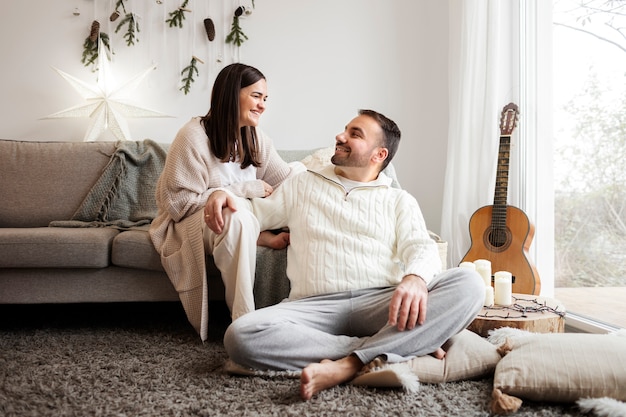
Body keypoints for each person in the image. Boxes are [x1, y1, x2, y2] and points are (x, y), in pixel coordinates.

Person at [206, 109, 485, 400]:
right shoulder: (302, 184)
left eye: (355, 134)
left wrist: (415, 278)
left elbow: (421, 245)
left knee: (470, 283)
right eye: (345, 130)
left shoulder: (398, 200)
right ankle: (388, 347)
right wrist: (225, 195)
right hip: (312, 308)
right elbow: (252, 213)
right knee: (240, 336)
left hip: (380, 303)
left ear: (379, 155)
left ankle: (348, 365)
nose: (340, 137)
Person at [150, 63, 304, 342]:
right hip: (194, 221)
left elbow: (284, 181)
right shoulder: (194, 136)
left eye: (265, 99)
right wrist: (238, 190)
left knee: (300, 178)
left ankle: (256, 236)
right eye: (256, 96)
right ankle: (244, 325)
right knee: (235, 215)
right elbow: (178, 204)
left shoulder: (256, 138)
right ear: (233, 95)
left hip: (240, 214)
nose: (262, 105)